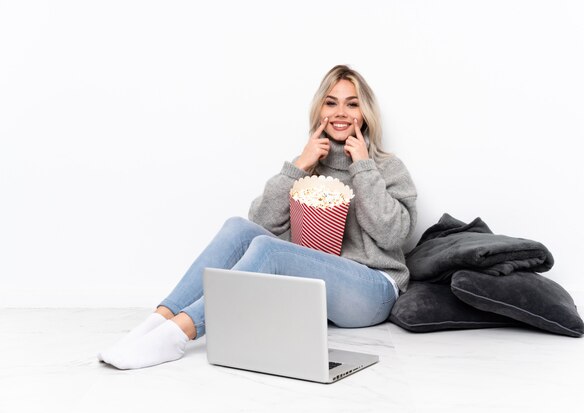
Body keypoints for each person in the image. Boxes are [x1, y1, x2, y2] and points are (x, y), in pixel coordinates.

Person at [98, 65, 418, 369]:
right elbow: (261, 222)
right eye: (331, 102)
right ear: (319, 110)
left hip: (374, 290)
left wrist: (363, 167)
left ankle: (177, 334)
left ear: (366, 114)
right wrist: (299, 166)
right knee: (238, 228)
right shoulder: (311, 165)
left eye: (352, 104)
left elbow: (393, 235)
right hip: (319, 293)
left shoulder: (388, 167)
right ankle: (156, 322)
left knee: (270, 249)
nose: (340, 112)